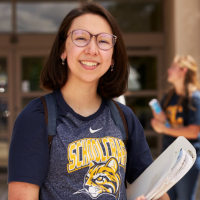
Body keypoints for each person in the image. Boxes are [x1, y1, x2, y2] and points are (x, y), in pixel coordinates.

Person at [8, 2, 169, 200]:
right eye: (81, 38)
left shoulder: (124, 118)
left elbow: (158, 192)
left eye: (103, 41)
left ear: (112, 58)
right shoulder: (36, 117)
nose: (92, 49)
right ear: (63, 50)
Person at [151, 54, 200, 200]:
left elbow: (193, 132)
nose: (169, 70)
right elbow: (160, 126)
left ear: (183, 71)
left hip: (187, 159)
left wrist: (164, 128)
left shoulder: (195, 98)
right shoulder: (168, 97)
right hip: (168, 157)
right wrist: (158, 123)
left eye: (173, 67)